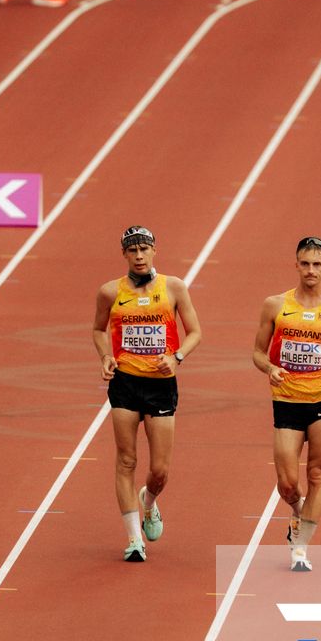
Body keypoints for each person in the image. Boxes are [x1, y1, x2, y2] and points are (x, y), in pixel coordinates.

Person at [251, 237, 321, 573]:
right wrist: (270, 368)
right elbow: (257, 352)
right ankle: (299, 512)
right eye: (305, 263)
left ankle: (300, 548)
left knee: (317, 472)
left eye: (317, 264)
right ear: (296, 265)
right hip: (286, 400)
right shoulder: (275, 305)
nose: (311, 270)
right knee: (287, 481)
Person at [94, 227, 202, 563]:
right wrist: (105, 356)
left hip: (160, 384)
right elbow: (98, 330)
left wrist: (177, 356)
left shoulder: (173, 287)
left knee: (160, 470)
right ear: (124, 254)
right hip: (125, 383)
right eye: (132, 250)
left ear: (154, 250)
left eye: (144, 249)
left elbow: (195, 332)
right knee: (126, 461)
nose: (139, 256)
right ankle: (133, 540)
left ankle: (150, 502)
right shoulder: (110, 291)